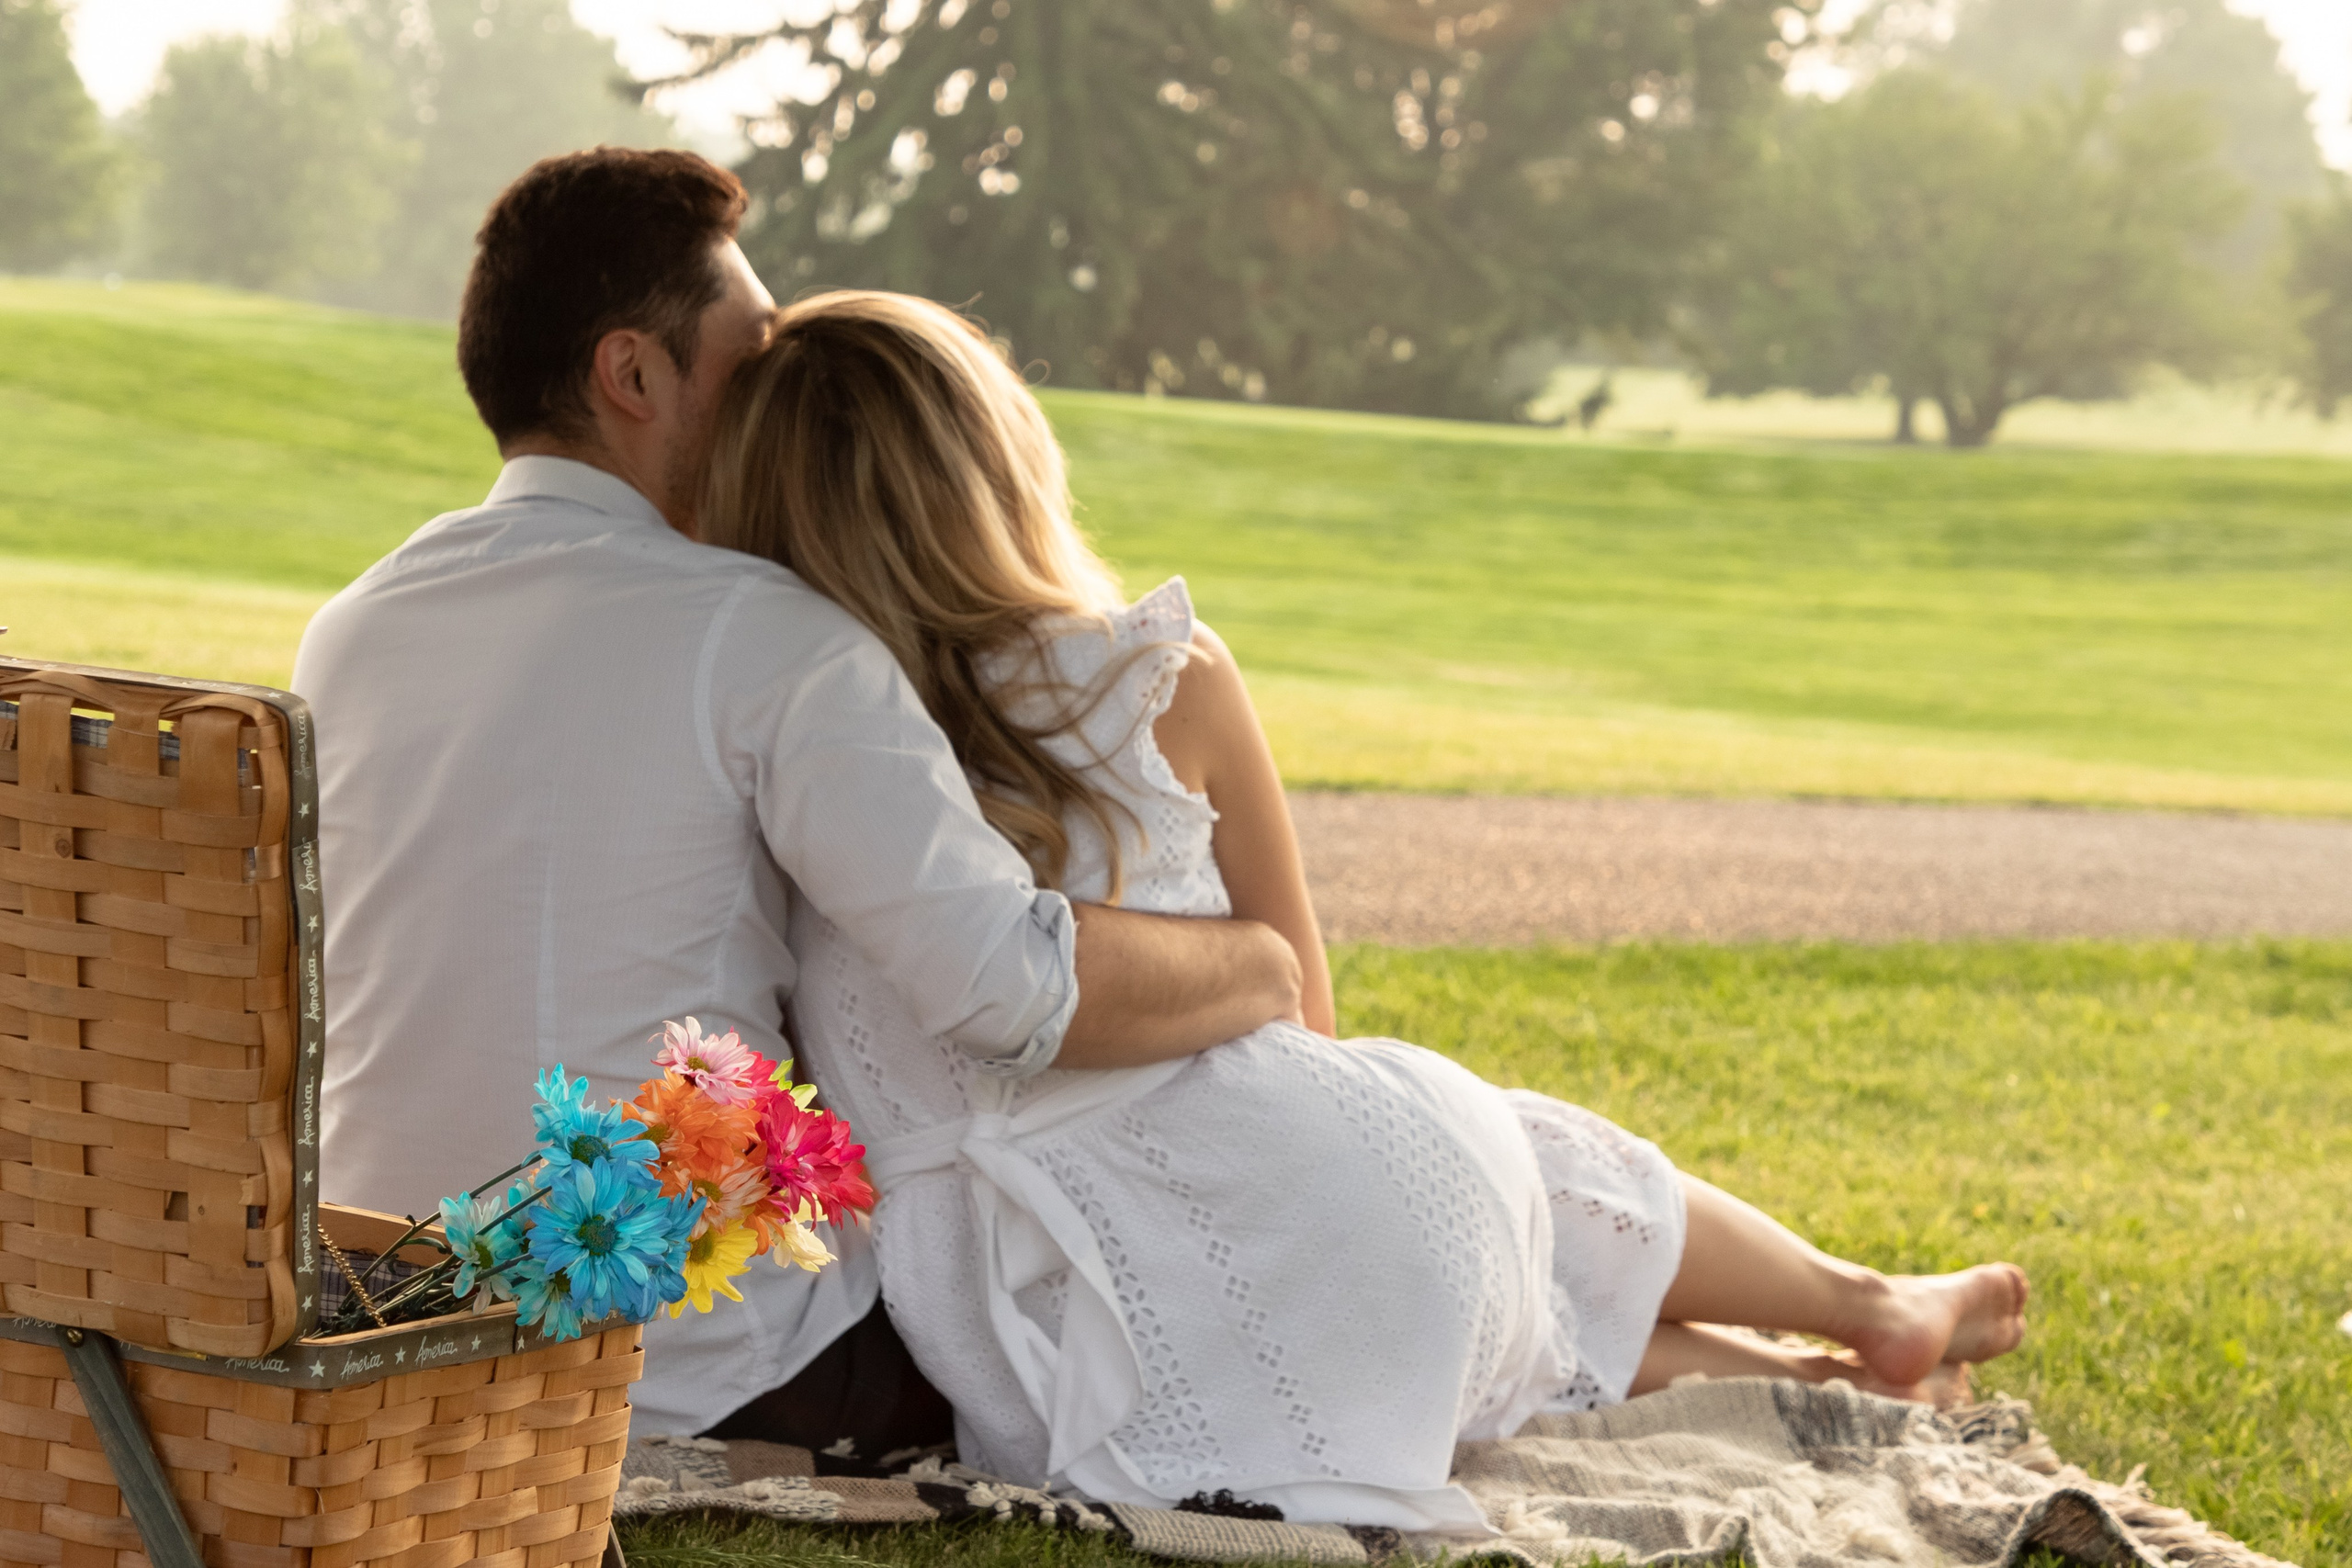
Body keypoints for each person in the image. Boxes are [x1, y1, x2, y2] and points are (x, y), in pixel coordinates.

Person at [694, 292, 2033, 1529]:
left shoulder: (788, 751)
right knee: (1481, 1201)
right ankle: (1855, 1315)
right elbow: (1309, 1021)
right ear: (1000, 465)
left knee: (1416, 1300)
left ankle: (1849, 1357)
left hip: (1040, 1314)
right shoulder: (1162, 678)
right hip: (1352, 1184)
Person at [290, 150, 1304, 1451]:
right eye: (750, 356)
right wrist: (1262, 964)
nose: (777, 394)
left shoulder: (355, 625)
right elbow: (1004, 987)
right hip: (680, 1357)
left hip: (394, 1313)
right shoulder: (772, 635)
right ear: (634, 374)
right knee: (1115, 1311)